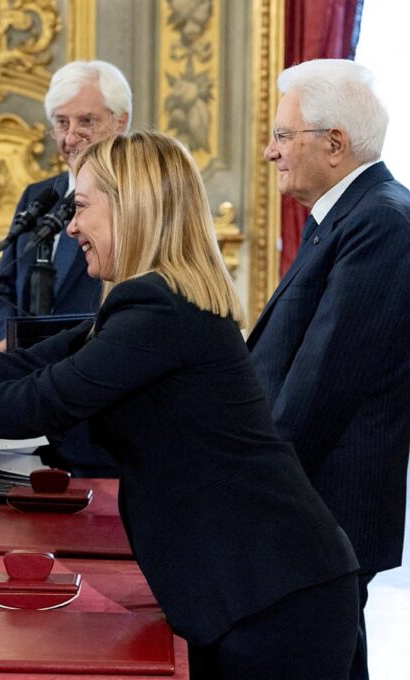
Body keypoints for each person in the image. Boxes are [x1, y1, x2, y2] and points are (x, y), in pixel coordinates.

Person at [0, 131, 361, 679]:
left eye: (82, 208)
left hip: (272, 594)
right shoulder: (153, 301)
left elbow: (40, 401)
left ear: (131, 208)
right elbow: (25, 365)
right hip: (255, 585)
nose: (71, 227)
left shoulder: (159, 311)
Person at [250, 58, 410, 680]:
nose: (270, 152)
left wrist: (249, 489)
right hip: (311, 510)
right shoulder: (349, 217)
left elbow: (321, 386)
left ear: (335, 144)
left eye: (283, 136)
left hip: (324, 512)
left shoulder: (381, 222)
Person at [0, 60, 129, 477]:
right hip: (31, 394)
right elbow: (3, 290)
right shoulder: (39, 196)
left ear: (121, 122)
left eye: (86, 121)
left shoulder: (137, 201)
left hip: (99, 401)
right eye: (61, 122)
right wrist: (5, 341)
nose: (70, 137)